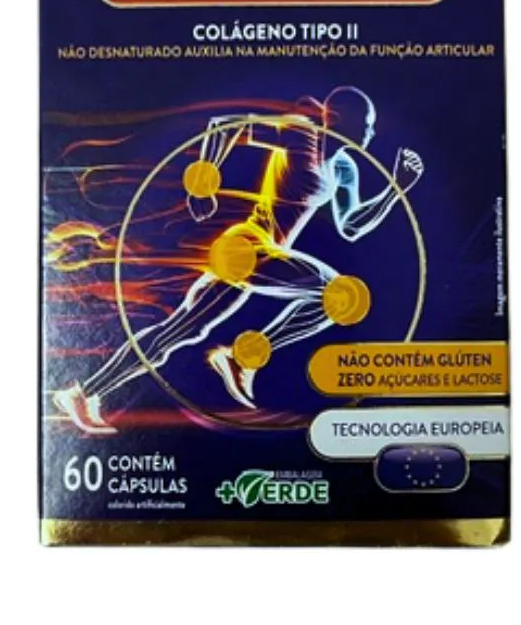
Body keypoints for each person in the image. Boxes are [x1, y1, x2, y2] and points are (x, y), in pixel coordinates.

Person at [52, 87, 423, 432]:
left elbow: (352, 226)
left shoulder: (344, 169)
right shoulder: (301, 134)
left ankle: (83, 392)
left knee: (180, 332)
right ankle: (242, 357)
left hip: (264, 254)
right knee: (337, 294)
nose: (371, 134)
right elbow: (226, 125)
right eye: (367, 125)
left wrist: (395, 188)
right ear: (338, 118)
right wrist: (202, 185)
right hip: (245, 245)